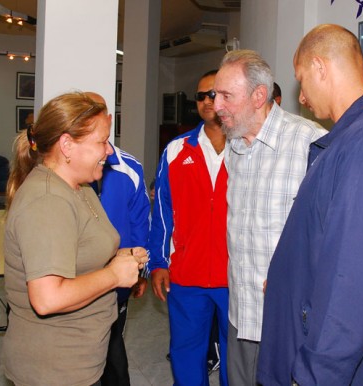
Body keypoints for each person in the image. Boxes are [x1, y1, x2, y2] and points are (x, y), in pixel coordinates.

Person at [257, 24, 363, 386]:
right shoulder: (357, 137)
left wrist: (315, 375)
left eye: (301, 80)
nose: (301, 97)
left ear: (320, 67)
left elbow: (352, 287)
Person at [2, 91, 148, 386]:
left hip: (83, 358)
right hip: (55, 369)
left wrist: (120, 257)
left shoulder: (79, 187)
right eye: (101, 142)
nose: (109, 151)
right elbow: (47, 298)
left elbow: (80, 251)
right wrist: (113, 274)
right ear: (67, 145)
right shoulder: (47, 200)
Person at [213, 49, 326, 385]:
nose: (216, 105)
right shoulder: (233, 147)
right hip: (240, 317)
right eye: (216, 95)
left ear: (259, 96)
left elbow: (330, 238)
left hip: (286, 324)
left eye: (226, 96)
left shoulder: (311, 142)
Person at [148, 69, 229, 386]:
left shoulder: (248, 149)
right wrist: (157, 262)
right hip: (186, 274)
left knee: (236, 357)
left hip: (235, 277)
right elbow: (163, 214)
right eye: (201, 95)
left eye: (215, 94)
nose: (208, 101)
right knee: (186, 352)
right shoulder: (176, 150)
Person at [99, 133, 150, 383]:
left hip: (116, 284)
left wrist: (139, 271)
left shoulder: (128, 167)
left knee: (112, 346)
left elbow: (139, 224)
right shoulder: (63, 173)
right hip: (75, 286)